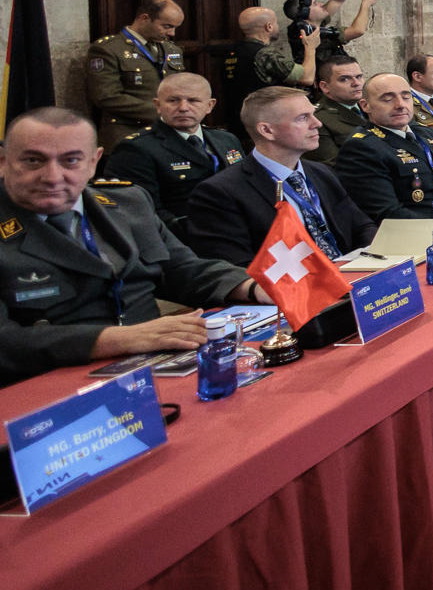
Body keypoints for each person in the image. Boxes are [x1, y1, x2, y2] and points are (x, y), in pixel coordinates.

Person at [1, 108, 271, 385]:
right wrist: (122, 339)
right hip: (52, 382)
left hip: (154, 369)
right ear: (3, 162)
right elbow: (6, 342)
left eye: (71, 160)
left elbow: (181, 269)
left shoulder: (129, 204)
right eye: (34, 161)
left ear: (94, 163)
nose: (52, 176)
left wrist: (253, 287)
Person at [187, 86, 378, 265]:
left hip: (349, 280)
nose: (317, 123)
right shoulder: (220, 193)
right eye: (303, 118)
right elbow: (236, 265)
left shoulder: (321, 173)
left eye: (313, 114)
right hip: (289, 293)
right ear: (267, 130)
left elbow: (361, 226)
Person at [98, 72, 247, 239]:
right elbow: (142, 212)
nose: (183, 107)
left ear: (210, 106)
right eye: (173, 100)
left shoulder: (226, 140)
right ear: (158, 105)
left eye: (193, 100)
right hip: (184, 241)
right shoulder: (136, 148)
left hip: (237, 232)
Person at [333, 74, 433, 221]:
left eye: (406, 97)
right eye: (388, 99)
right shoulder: (361, 147)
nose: (400, 105)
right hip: (415, 234)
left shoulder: (425, 132)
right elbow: (388, 214)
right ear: (365, 106)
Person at [84, 0, 188, 151]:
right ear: (145, 18)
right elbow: (106, 96)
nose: (172, 33)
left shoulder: (171, 49)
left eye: (174, 27)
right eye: (167, 26)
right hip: (129, 135)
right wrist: (162, 113)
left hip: (170, 135)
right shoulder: (108, 49)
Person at [226, 4, 316, 138]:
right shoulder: (265, 54)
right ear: (269, 26)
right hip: (268, 122)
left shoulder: (233, 51)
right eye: (276, 23)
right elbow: (307, 78)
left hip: (239, 120)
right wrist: (311, 47)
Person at [309, 56, 370, 165]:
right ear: (325, 87)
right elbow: (332, 166)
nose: (356, 83)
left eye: (359, 77)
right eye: (344, 79)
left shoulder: (371, 106)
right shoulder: (318, 119)